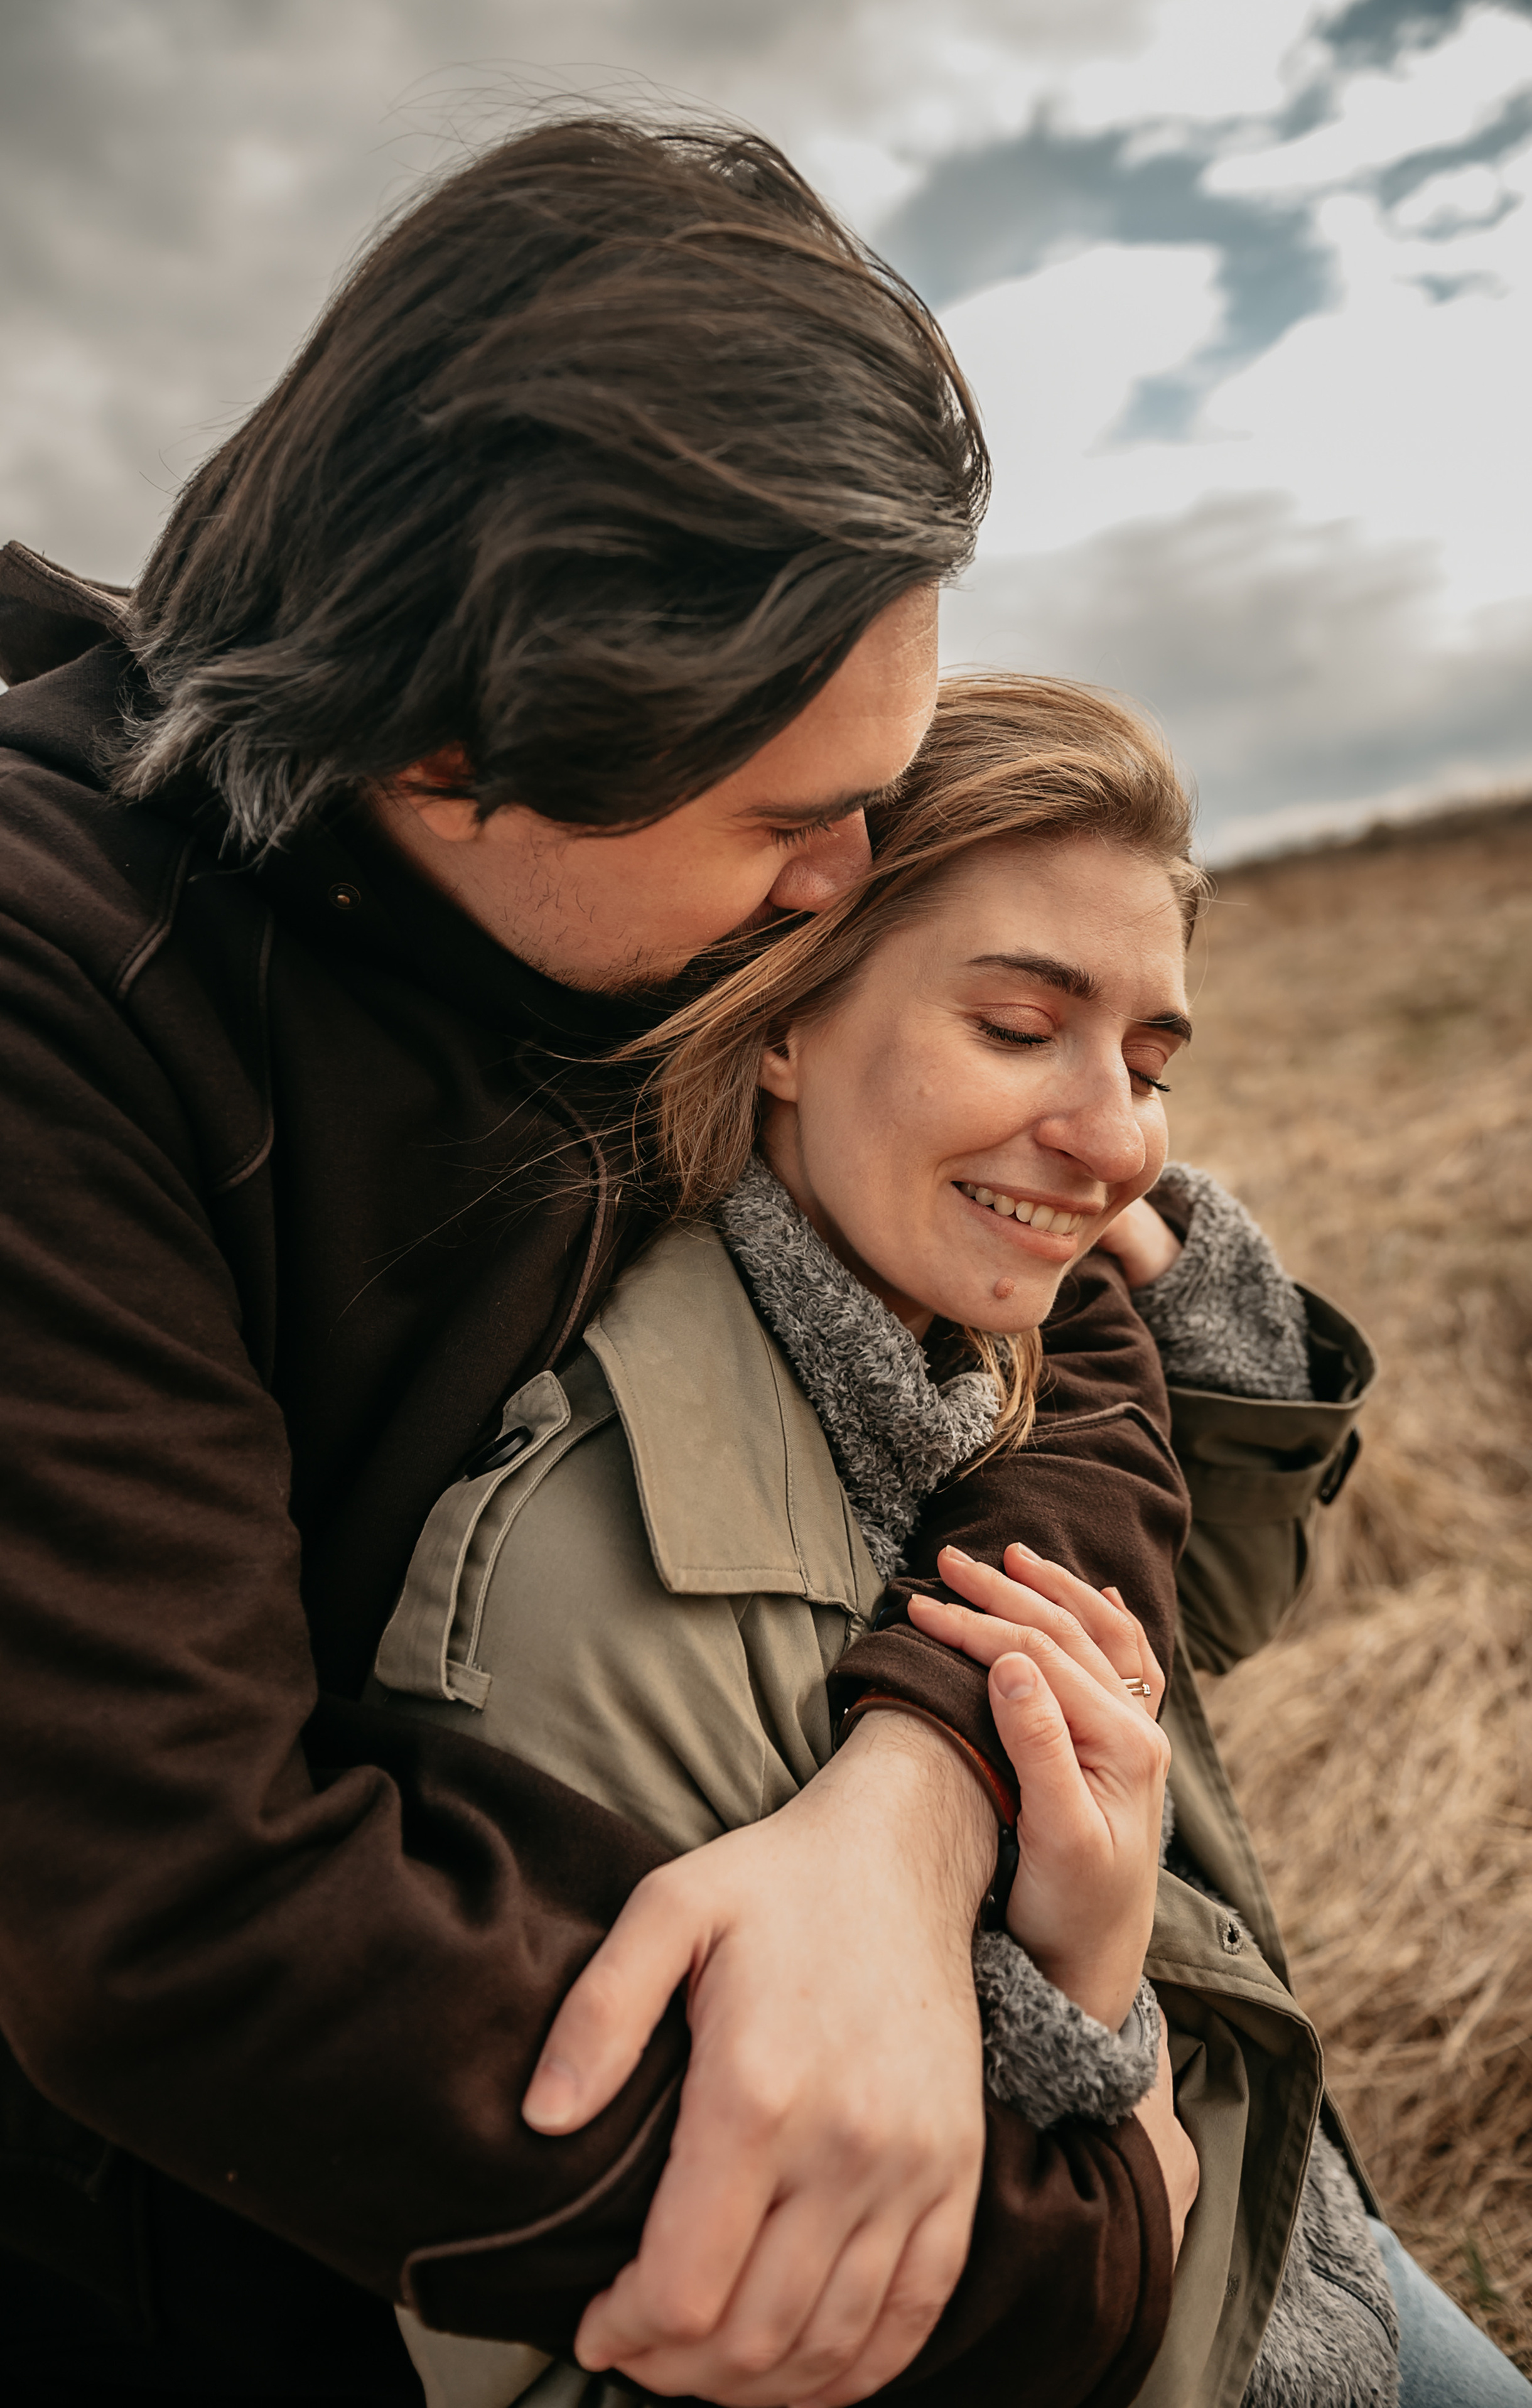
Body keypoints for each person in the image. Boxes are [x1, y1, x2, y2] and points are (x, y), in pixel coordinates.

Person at [0, 116, 1198, 2408]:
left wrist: (911, 1802)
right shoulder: (8, 1003)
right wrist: (1070, 2255)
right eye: (787, 821)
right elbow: (193, 1939)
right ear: (446, 735)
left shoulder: (644, 897)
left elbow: (1082, 1327)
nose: (843, 886)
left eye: (873, 801)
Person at [377, 672, 1531, 2408]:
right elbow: (610, 2353)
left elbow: (1201, 1611)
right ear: (781, 1017)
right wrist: (1090, 2010)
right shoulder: (588, 1581)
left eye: (1151, 1060)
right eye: (1018, 1028)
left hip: (1279, 2237)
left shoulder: (967, 1350)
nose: (1123, 1134)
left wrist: (1181, 1304)